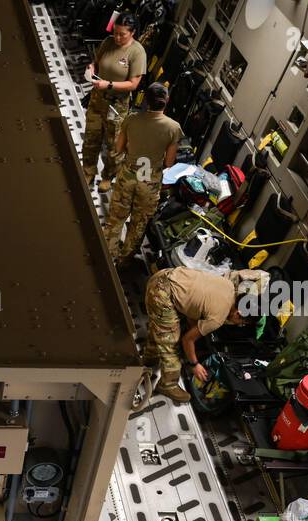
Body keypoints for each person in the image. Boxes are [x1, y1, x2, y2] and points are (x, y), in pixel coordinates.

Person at [142, 265, 269, 403]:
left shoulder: (228, 286)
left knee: (162, 330)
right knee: (171, 341)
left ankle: (149, 358)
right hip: (162, 294)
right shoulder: (218, 318)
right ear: (238, 314)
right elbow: (187, 340)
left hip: (165, 274)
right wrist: (194, 364)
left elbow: (197, 304)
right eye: (242, 323)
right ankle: (167, 384)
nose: (240, 325)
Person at [104, 82, 180, 265]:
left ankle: (107, 254)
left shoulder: (131, 119)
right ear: (166, 101)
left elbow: (119, 148)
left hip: (128, 176)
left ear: (146, 100)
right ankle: (123, 261)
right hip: (149, 183)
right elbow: (169, 162)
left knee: (116, 219)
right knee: (138, 224)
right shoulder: (173, 128)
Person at [82, 13, 147, 193]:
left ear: (132, 33)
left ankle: (107, 177)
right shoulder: (108, 42)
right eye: (116, 33)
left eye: (122, 34)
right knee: (91, 138)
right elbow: (96, 61)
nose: (117, 37)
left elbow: (133, 84)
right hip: (97, 99)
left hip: (116, 105)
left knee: (114, 146)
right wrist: (92, 68)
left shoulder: (137, 52)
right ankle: (88, 172)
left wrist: (108, 84)